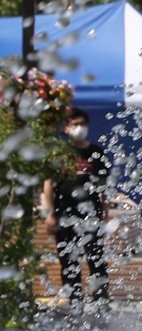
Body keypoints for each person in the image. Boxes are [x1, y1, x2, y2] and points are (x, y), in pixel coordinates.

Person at [41, 108, 112, 309]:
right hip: (65, 214)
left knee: (95, 257)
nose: (79, 128)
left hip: (91, 214)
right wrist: (49, 214)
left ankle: (100, 299)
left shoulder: (96, 153)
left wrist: (105, 212)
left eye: (82, 124)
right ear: (66, 128)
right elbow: (48, 185)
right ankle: (74, 300)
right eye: (74, 124)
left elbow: (103, 186)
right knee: (68, 259)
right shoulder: (59, 153)